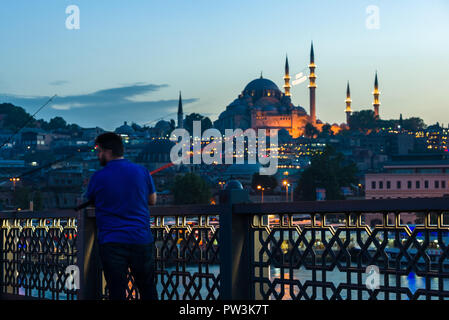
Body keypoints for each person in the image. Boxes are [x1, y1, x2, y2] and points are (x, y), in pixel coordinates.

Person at [84, 132, 158, 300]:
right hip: (140, 239)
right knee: (147, 288)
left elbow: (90, 200)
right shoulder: (142, 171)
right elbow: (152, 200)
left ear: (107, 151)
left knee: (116, 291)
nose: (98, 155)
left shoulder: (98, 176)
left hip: (112, 241)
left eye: (99, 151)